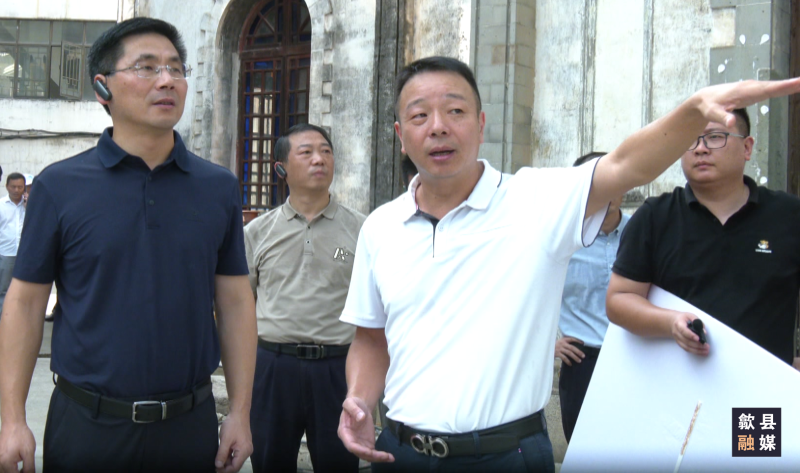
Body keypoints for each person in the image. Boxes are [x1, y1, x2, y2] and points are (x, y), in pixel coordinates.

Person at [335, 55, 800, 471]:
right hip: (402, 452)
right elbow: (372, 338)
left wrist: (694, 110)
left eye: (455, 111)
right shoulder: (380, 227)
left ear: (480, 124)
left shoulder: (535, 200)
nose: (437, 126)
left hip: (507, 455)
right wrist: (358, 397)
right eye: (419, 115)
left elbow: (627, 164)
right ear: (400, 136)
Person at [0, 18, 256, 473]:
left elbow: (235, 302)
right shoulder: (60, 186)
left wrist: (240, 411)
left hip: (188, 426)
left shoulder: (217, 188)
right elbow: (24, 304)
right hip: (87, 426)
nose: (167, 80)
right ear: (103, 88)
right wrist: (12, 419)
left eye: (176, 68)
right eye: (147, 67)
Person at [607, 108, 800, 366]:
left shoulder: (789, 215)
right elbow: (619, 299)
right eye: (690, 139)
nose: (700, 149)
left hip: (763, 384)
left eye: (714, 137)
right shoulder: (655, 216)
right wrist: (670, 322)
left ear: (747, 147)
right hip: (679, 381)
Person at [244, 123, 365, 472]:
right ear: (281, 168)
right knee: (269, 461)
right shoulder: (257, 233)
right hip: (273, 367)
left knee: (339, 463)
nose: (319, 159)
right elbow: (238, 306)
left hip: (337, 369)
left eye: (326, 151)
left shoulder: (362, 230)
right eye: (307, 152)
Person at [555, 152, 629, 443]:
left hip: (636, 358)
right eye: (596, 184)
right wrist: (548, 344)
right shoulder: (562, 240)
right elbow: (524, 295)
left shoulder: (642, 232)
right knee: (584, 450)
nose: (606, 192)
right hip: (582, 361)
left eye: (612, 182)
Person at [0, 173, 26, 315]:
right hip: (6, 254)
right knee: (4, 290)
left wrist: (29, 207)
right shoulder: (1, 206)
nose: (16, 190)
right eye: (13, 187)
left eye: (20, 187)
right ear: (7, 187)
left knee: (24, 290)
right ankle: (3, 320)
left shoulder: (30, 205)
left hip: (25, 255)